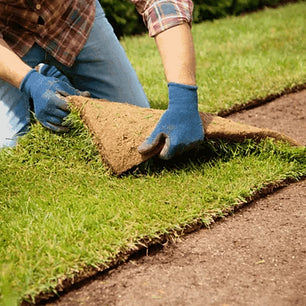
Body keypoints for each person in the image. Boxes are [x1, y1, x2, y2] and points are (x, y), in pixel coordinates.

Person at [0, 0, 204, 160]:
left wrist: (183, 97)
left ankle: (54, 76)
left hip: (72, 20)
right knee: (7, 145)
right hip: (9, 40)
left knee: (133, 128)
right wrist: (29, 82)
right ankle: (36, 77)